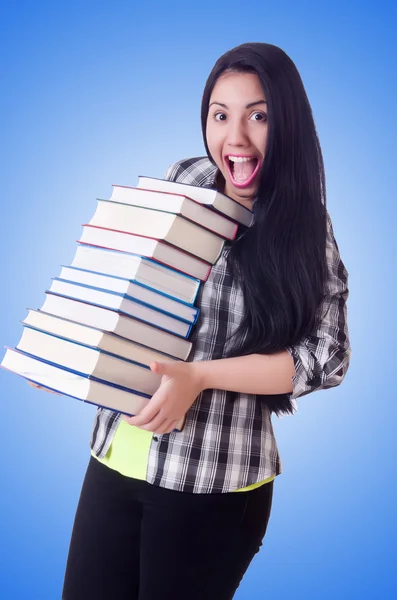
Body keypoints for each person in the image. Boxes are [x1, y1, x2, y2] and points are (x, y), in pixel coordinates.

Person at [47, 42, 350, 599]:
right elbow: (138, 290)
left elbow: (327, 356)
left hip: (213, 479)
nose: (235, 136)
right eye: (220, 114)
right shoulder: (182, 178)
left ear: (287, 122)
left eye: (258, 115)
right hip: (117, 452)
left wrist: (202, 376)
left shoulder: (305, 226)